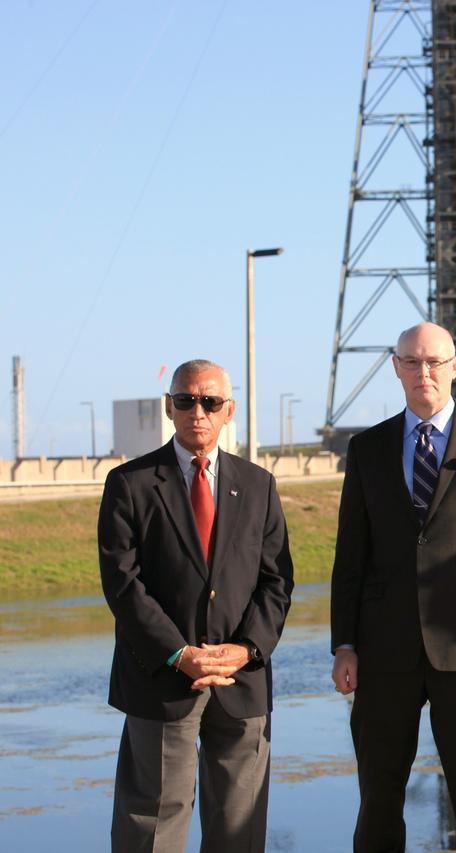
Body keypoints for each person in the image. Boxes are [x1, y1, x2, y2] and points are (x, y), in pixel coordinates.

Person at [330, 322, 456, 853]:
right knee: (378, 798)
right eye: (412, 362)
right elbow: (351, 556)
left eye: (435, 362)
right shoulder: (367, 448)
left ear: (455, 366)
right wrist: (344, 644)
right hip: (383, 650)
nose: (424, 373)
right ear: (396, 368)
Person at [99, 359, 294, 853]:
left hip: (240, 682)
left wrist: (246, 649)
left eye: (209, 402)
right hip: (161, 679)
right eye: (185, 400)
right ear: (170, 407)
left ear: (229, 411)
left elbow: (277, 581)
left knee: (240, 829)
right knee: (153, 826)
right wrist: (179, 653)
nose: (197, 411)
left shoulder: (258, 485)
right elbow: (123, 584)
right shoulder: (130, 484)